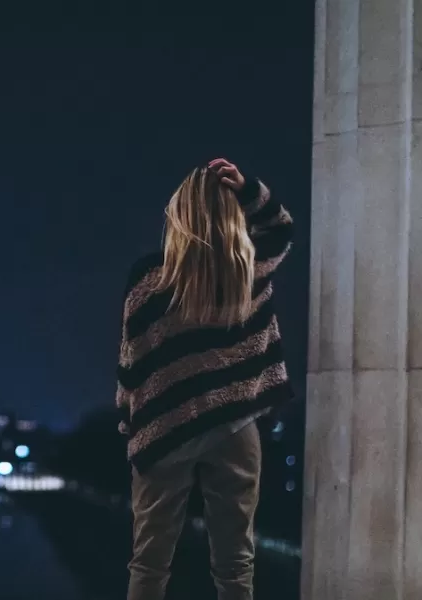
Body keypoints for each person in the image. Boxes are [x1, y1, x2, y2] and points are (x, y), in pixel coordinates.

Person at [116, 158, 295, 600]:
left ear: (179, 216)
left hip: (164, 431)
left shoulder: (149, 280)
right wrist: (247, 188)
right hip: (234, 428)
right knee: (236, 563)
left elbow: (131, 364)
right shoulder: (248, 271)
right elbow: (281, 227)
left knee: (150, 563)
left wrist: (128, 423)